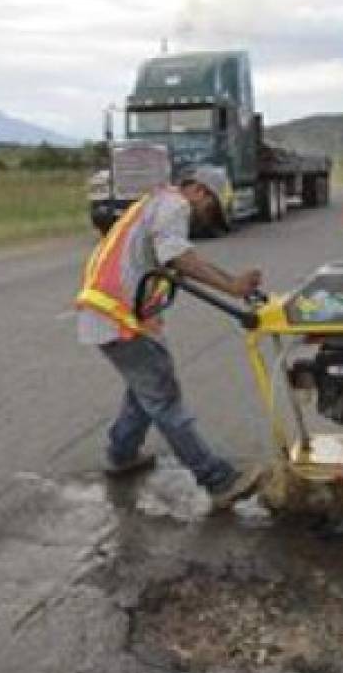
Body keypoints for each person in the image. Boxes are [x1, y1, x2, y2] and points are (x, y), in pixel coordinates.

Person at [76, 167, 264, 510]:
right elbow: (179, 257)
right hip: (117, 316)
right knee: (163, 397)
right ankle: (217, 479)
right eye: (209, 211)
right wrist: (233, 287)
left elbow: (177, 259)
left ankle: (121, 455)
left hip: (109, 313)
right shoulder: (175, 205)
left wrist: (233, 283)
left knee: (145, 389)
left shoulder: (155, 202)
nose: (204, 219)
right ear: (201, 193)